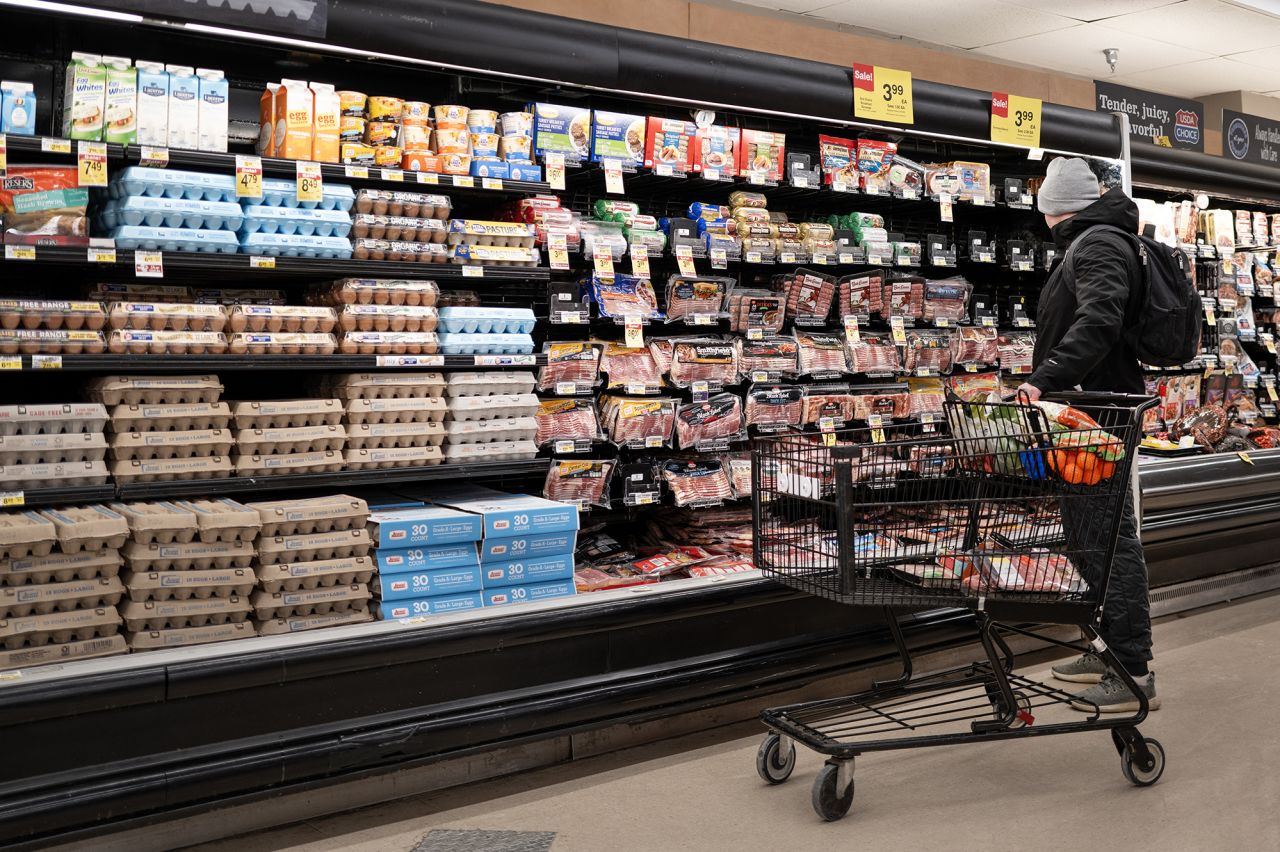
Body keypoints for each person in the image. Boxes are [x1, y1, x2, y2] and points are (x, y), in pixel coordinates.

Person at [1017, 157, 1158, 712]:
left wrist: (1045, 380)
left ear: (1053, 207)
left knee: (1108, 540)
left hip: (1097, 416)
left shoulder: (1097, 243)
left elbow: (1099, 320)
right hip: (1084, 412)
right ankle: (1107, 649)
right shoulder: (1099, 239)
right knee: (1088, 538)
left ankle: (1131, 670)